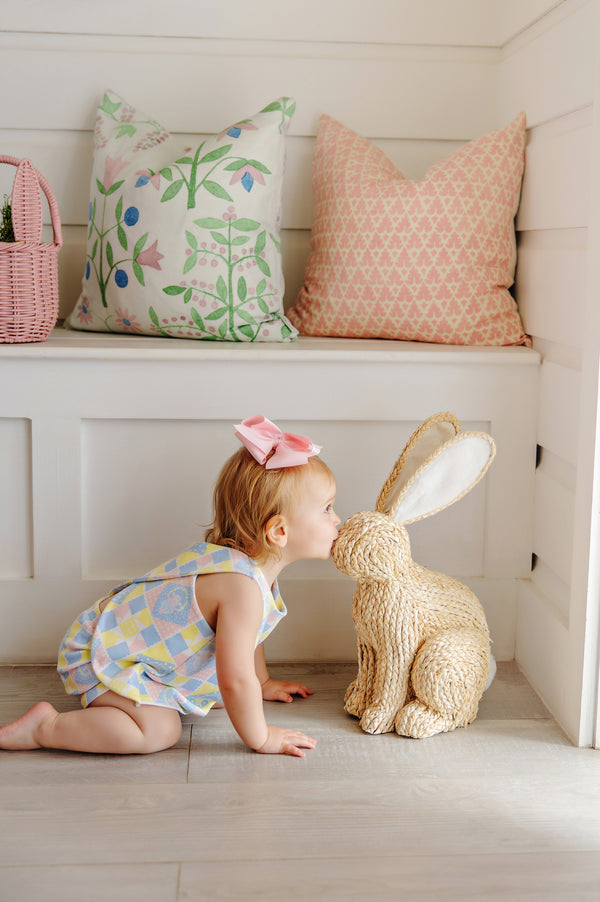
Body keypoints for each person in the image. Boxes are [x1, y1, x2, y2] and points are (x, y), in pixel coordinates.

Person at [0, 415, 341, 758]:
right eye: (327, 509)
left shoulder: (249, 573)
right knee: (160, 731)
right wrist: (262, 737)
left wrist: (261, 682)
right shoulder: (241, 586)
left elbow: (248, 638)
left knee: (220, 696)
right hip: (103, 656)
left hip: (127, 646)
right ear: (279, 531)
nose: (337, 519)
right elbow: (236, 680)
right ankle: (46, 726)